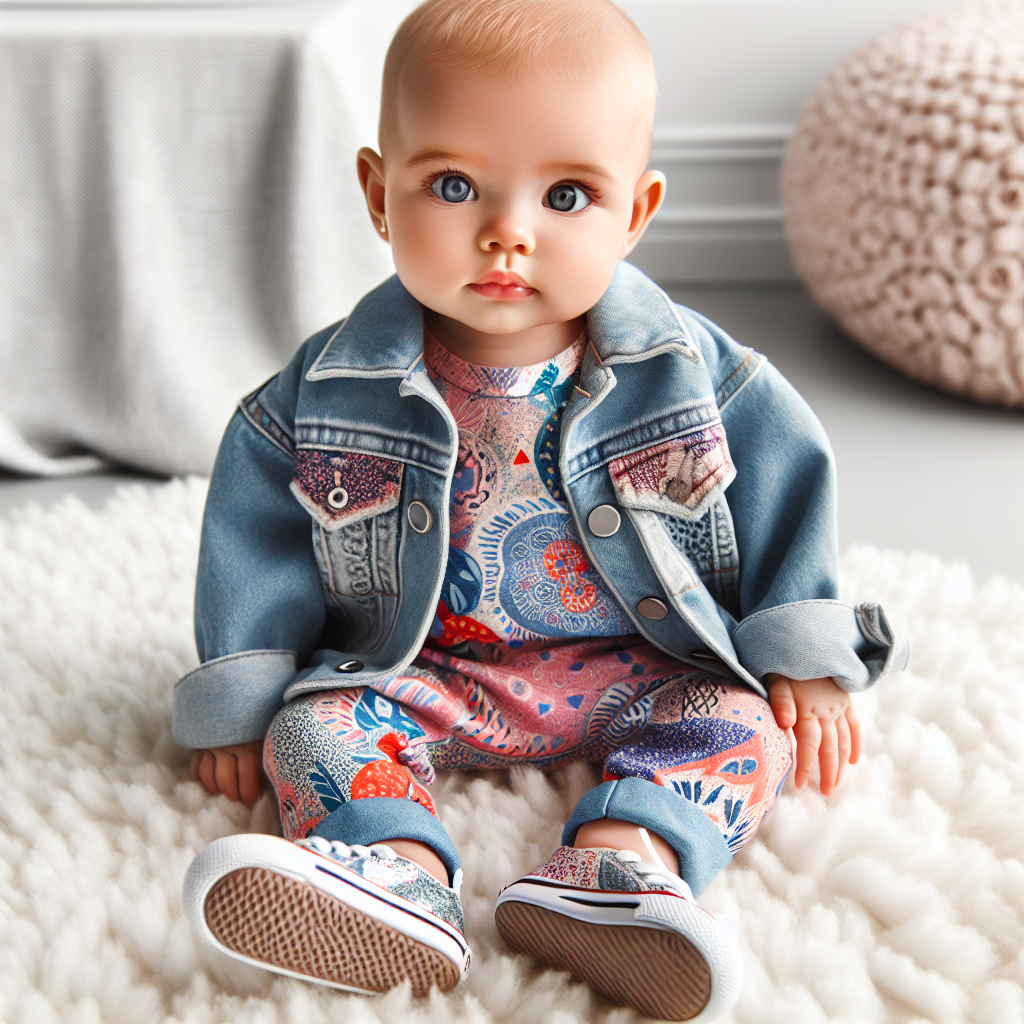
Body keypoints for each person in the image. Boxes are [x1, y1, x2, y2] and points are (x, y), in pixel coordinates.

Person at [175, 0, 907, 1018]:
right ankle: (391, 871)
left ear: (635, 213)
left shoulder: (693, 375)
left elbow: (788, 490)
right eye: (453, 184)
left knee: (745, 729)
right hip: (421, 671)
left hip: (636, 670)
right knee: (313, 724)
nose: (506, 230)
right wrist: (239, 690)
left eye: (567, 193)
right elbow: (255, 535)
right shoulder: (325, 390)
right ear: (378, 194)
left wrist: (801, 654)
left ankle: (622, 861)